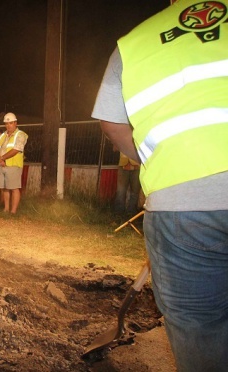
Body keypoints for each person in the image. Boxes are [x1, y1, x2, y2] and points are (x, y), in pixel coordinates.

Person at [92, 1, 228, 370]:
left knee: (200, 329)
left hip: (182, 205)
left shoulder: (133, 44)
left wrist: (155, 158)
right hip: (182, 205)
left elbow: (111, 123)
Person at [0, 112, 28, 214]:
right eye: (6, 123)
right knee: (5, 188)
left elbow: (16, 149)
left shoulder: (20, 135)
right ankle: (6, 209)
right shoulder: (3, 135)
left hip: (13, 165)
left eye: (11, 123)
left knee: (14, 188)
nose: (8, 125)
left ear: (15, 123)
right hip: (1, 165)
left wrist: (1, 158)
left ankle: (13, 211)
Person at [113, 147, 141, 215]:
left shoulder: (139, 137)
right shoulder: (121, 136)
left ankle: (131, 213)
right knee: (120, 191)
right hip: (123, 166)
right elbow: (114, 149)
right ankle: (118, 213)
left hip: (137, 166)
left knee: (135, 191)